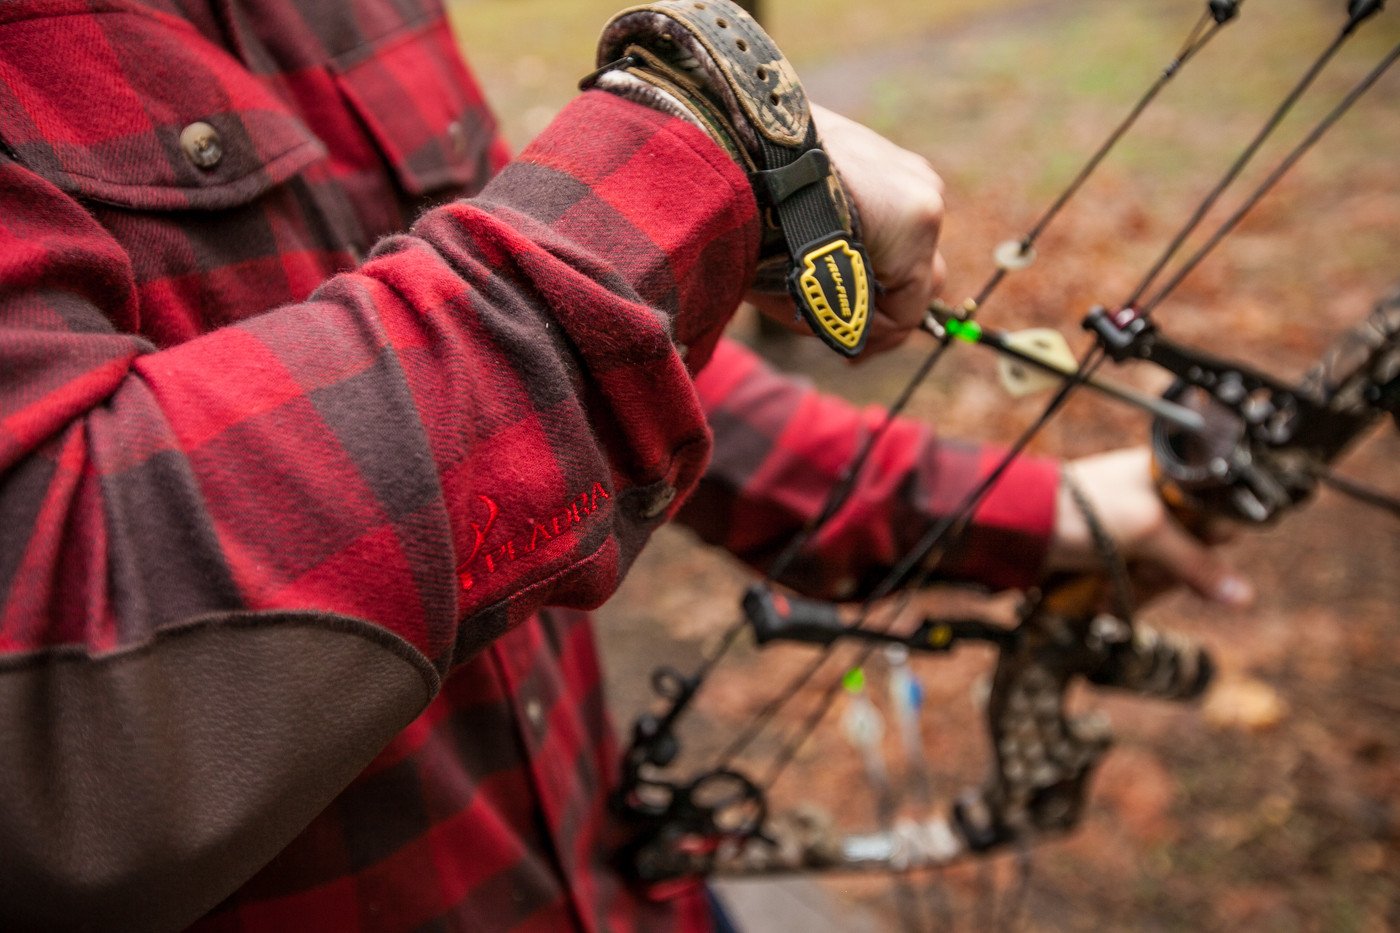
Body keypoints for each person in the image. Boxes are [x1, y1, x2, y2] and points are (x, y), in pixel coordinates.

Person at [0, 0, 1250, 929]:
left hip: (623, 883)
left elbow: (606, 345)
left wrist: (1046, 510)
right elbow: (63, 711)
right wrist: (692, 146)